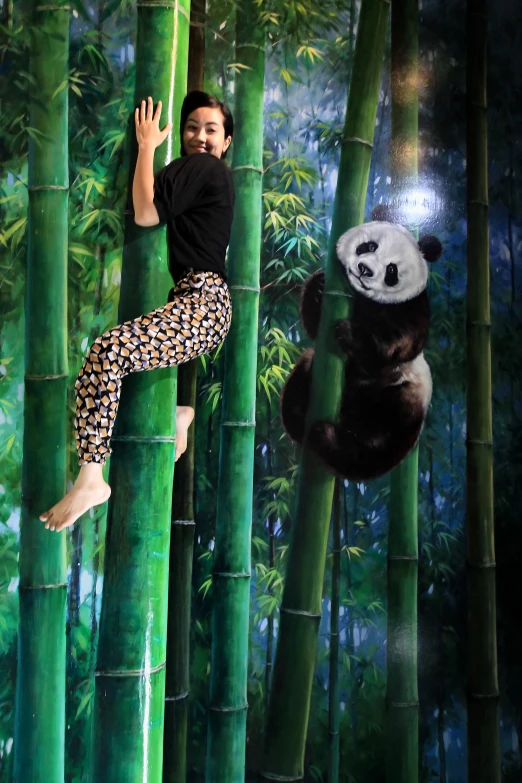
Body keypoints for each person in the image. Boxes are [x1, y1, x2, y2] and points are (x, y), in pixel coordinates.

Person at [39, 91, 235, 533]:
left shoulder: (205, 167)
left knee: (108, 353)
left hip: (200, 303)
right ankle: (182, 411)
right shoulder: (208, 176)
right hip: (199, 302)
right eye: (192, 128)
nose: (201, 136)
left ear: (226, 142)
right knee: (126, 349)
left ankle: (92, 479)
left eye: (211, 130)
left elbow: (146, 213)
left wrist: (146, 145)